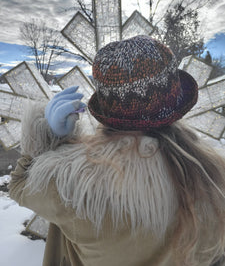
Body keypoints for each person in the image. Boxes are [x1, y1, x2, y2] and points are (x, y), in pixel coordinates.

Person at [9, 35, 225, 266]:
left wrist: (47, 138)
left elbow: (20, 185)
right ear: (176, 104)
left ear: (106, 108)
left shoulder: (74, 184)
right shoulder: (214, 180)